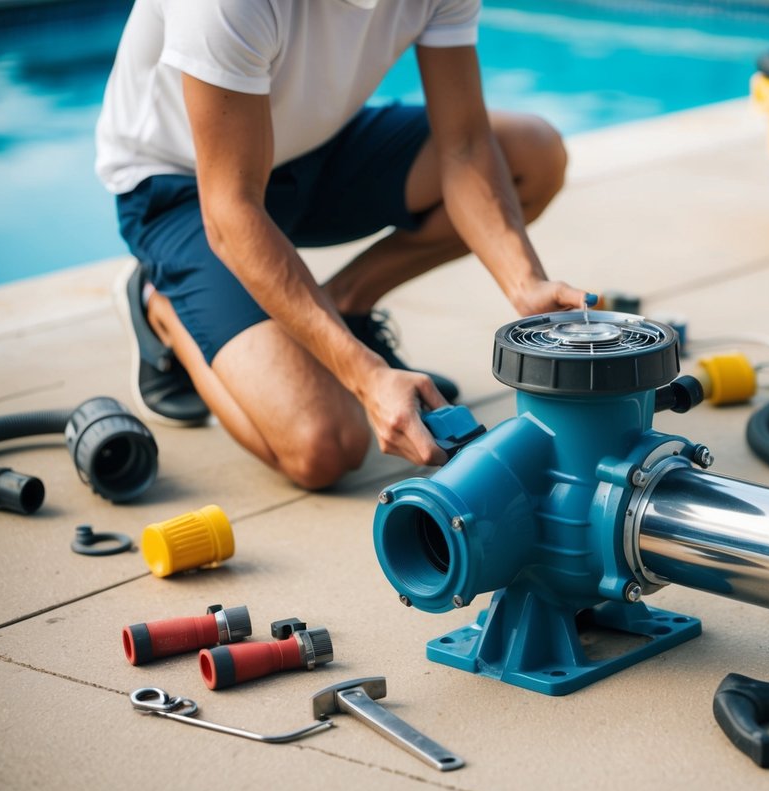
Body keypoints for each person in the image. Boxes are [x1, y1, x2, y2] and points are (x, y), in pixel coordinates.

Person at [95, 0, 588, 489]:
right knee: (324, 446)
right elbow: (232, 212)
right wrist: (367, 376)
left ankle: (342, 307)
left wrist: (525, 283)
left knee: (531, 153)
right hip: (185, 189)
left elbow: (465, 147)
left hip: (317, 150)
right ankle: (163, 307)